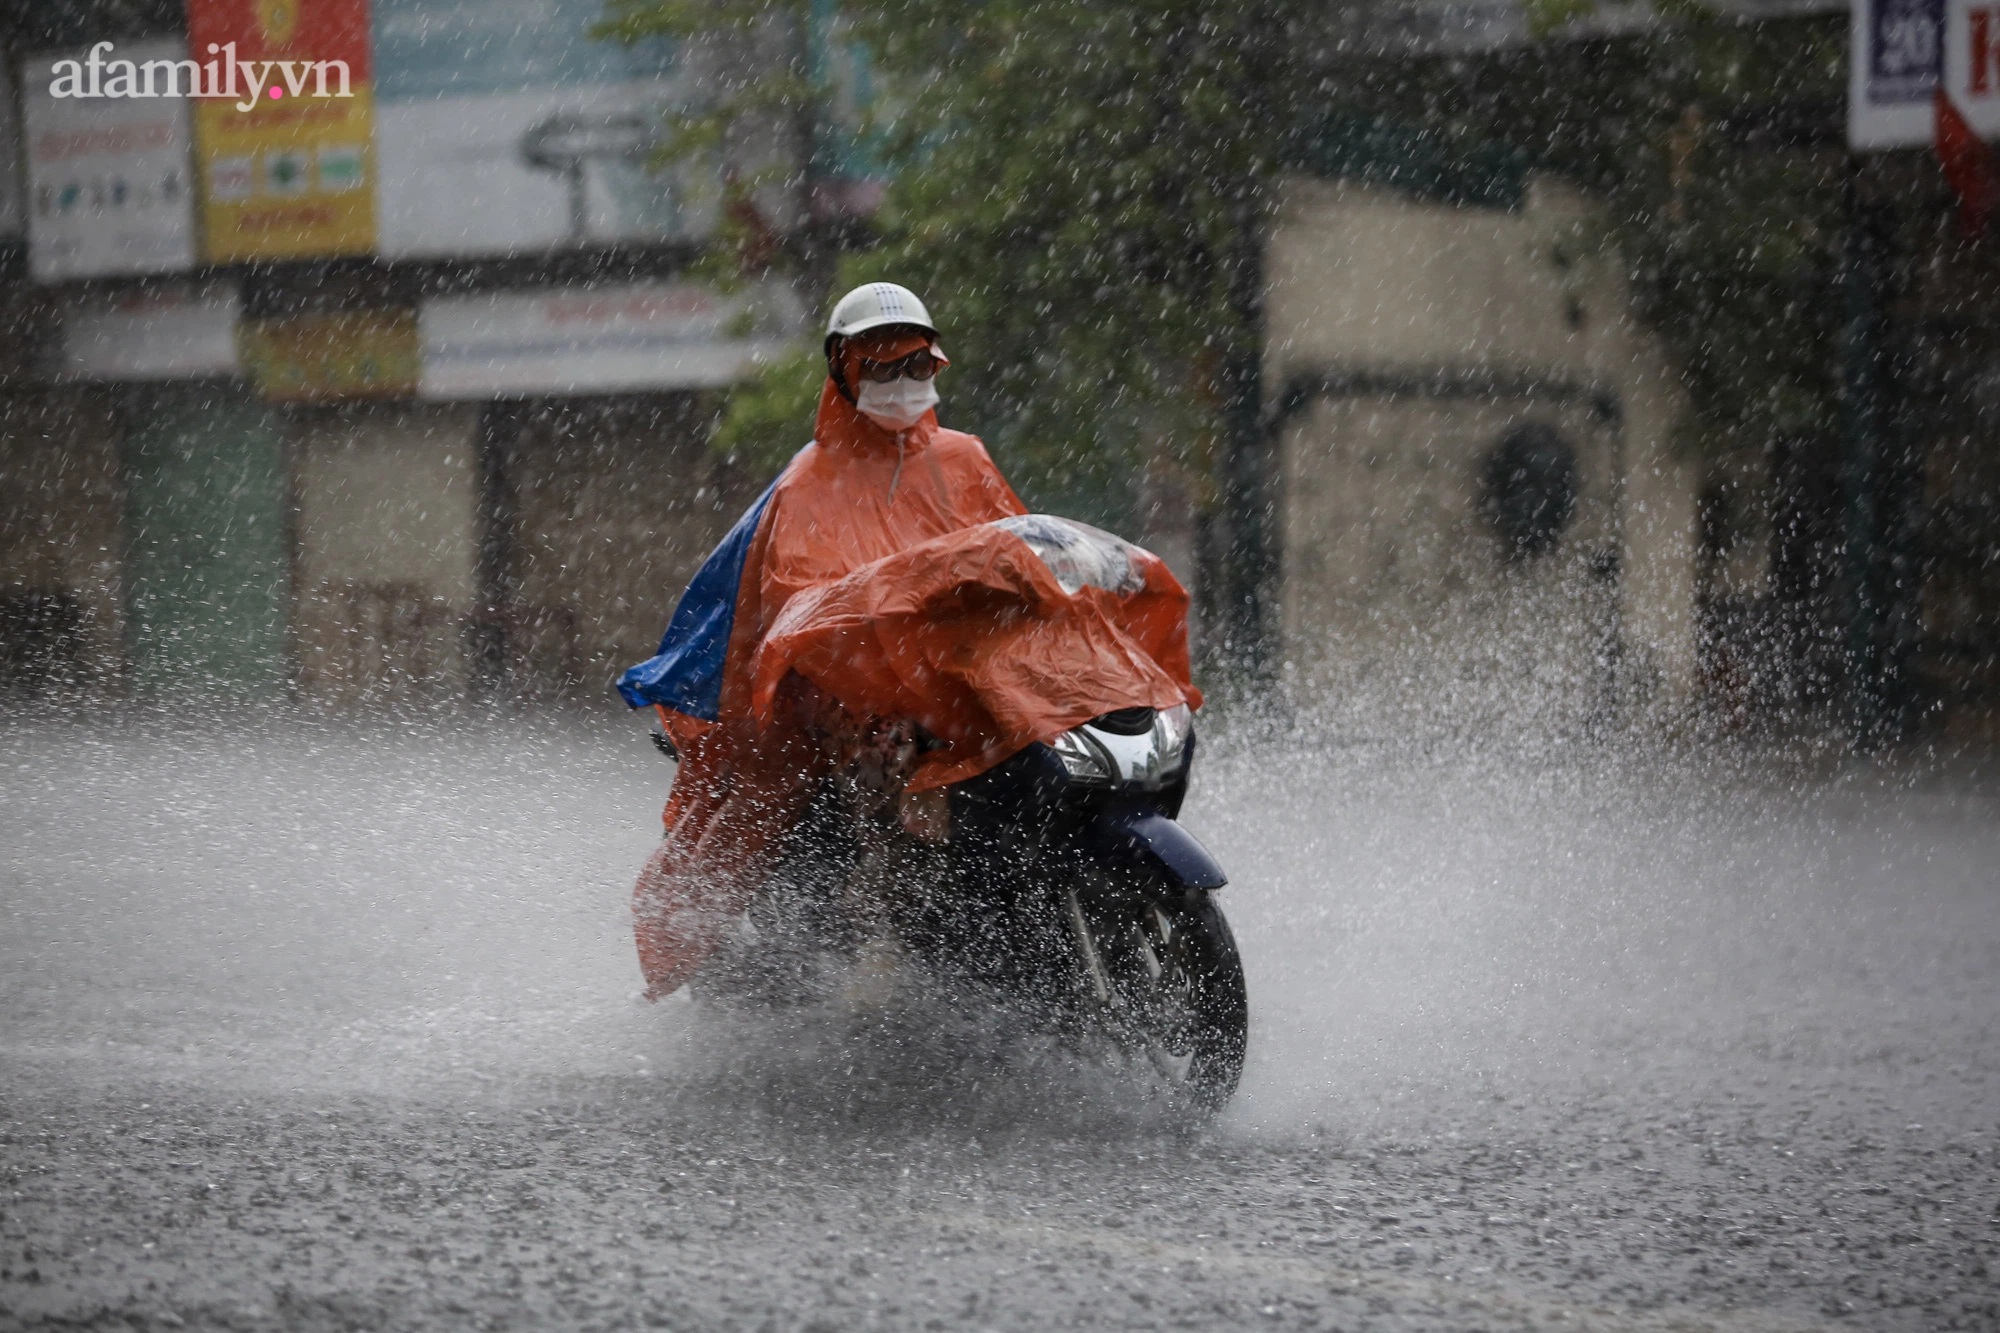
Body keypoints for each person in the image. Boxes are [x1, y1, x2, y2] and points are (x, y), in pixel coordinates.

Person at [616, 283, 1028, 999]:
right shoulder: (809, 482)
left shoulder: (964, 460)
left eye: (915, 365)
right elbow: (800, 597)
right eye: (881, 365)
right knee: (895, 751)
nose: (901, 382)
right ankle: (887, 929)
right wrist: (881, 628)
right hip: (850, 688)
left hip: (953, 670)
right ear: (843, 370)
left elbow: (1015, 549)